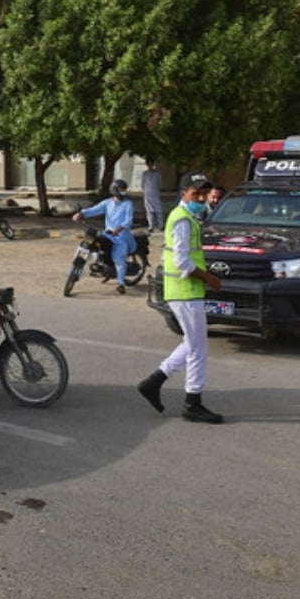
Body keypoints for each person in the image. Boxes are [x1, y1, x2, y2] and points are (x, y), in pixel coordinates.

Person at [137, 172, 224, 424]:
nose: (200, 198)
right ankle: (192, 403)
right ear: (183, 192)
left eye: (203, 193)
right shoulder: (182, 219)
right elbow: (182, 261)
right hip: (185, 289)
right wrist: (209, 278)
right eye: (195, 193)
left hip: (186, 290)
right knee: (198, 347)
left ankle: (154, 382)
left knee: (192, 342)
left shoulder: (187, 216)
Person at [72, 178, 137, 294]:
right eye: (121, 190)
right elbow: (94, 210)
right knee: (95, 248)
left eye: (124, 190)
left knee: (118, 259)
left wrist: (120, 227)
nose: (123, 192)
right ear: (114, 190)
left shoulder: (128, 204)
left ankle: (121, 283)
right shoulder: (107, 203)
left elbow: (129, 219)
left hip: (121, 236)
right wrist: (81, 214)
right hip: (108, 234)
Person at [140, 160, 163, 232]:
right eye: (148, 164)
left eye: (151, 164)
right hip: (147, 194)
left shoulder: (157, 174)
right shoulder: (145, 174)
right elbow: (142, 185)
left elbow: (159, 183)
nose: (150, 165)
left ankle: (161, 225)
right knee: (149, 211)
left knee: (159, 210)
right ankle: (151, 226)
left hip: (155, 194)